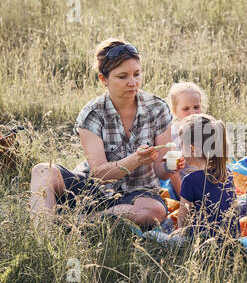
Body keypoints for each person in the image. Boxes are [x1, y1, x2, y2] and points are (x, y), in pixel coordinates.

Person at [29, 39, 184, 229]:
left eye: (137, 74)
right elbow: (100, 174)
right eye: (122, 76)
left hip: (139, 193)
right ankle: (45, 239)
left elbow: (161, 172)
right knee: (42, 171)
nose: (132, 83)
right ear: (104, 79)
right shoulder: (92, 114)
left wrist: (171, 165)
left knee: (154, 211)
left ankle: (76, 222)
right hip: (93, 190)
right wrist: (135, 159)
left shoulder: (157, 108)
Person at [176, 113, 240, 237]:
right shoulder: (227, 173)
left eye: (181, 145)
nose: (180, 149)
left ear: (192, 149)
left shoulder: (190, 181)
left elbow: (182, 219)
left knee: (155, 234)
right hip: (231, 240)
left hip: (202, 242)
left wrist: (179, 235)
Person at [161, 82, 208, 199]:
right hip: (182, 184)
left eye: (196, 107)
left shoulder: (206, 128)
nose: (192, 112)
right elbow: (174, 174)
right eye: (186, 109)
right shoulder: (171, 135)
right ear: (174, 110)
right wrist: (184, 197)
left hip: (204, 179)